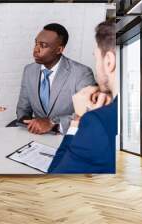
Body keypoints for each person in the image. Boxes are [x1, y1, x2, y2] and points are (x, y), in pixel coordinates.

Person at [48, 19, 117, 173]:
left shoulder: (94, 125)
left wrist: (78, 120)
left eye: (96, 57)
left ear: (109, 62)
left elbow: (55, 173)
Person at [16, 23, 96, 135]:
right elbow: (23, 108)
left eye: (43, 45)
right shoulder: (29, 70)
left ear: (59, 49)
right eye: (36, 43)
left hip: (67, 137)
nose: (36, 50)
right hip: (36, 136)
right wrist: (27, 122)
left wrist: (53, 123)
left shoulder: (81, 73)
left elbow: (90, 113)